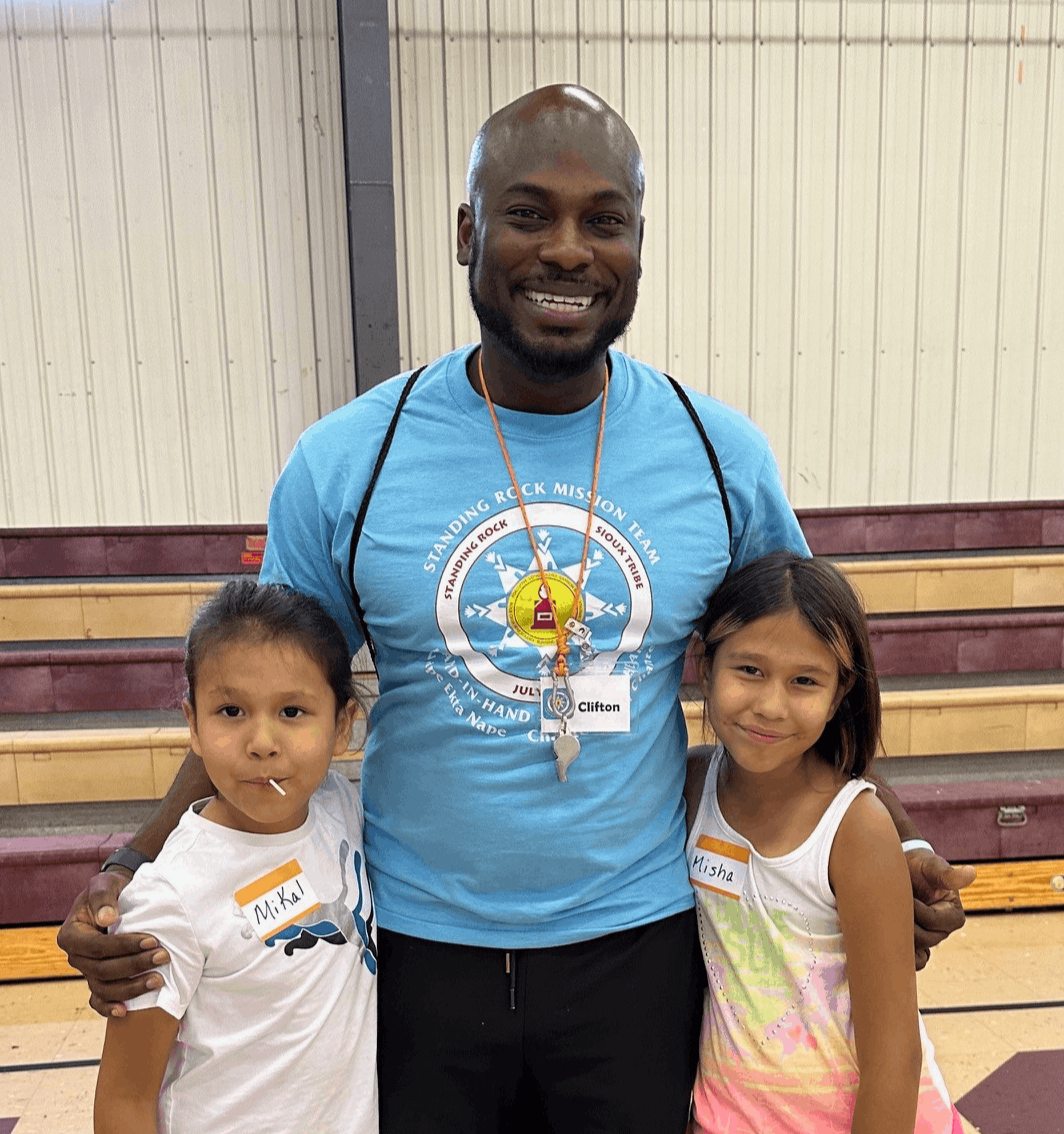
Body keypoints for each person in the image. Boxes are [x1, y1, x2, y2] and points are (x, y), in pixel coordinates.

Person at [60, 84, 973, 1133]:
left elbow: (805, 683)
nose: (570, 251)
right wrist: (134, 865)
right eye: (529, 214)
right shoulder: (346, 459)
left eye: (606, 220)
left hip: (637, 949)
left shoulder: (721, 456)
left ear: (639, 242)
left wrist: (897, 843)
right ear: (467, 233)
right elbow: (253, 708)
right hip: (412, 950)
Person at [685, 552, 961, 1133]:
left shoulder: (854, 827)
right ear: (704, 666)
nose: (770, 705)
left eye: (804, 681)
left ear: (839, 695)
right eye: (749, 671)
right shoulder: (691, 788)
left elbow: (895, 1053)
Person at [92, 581, 375, 1134]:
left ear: (342, 725)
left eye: (292, 711)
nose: (262, 741)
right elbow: (124, 1100)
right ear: (192, 725)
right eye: (231, 711)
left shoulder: (342, 810)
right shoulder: (170, 896)